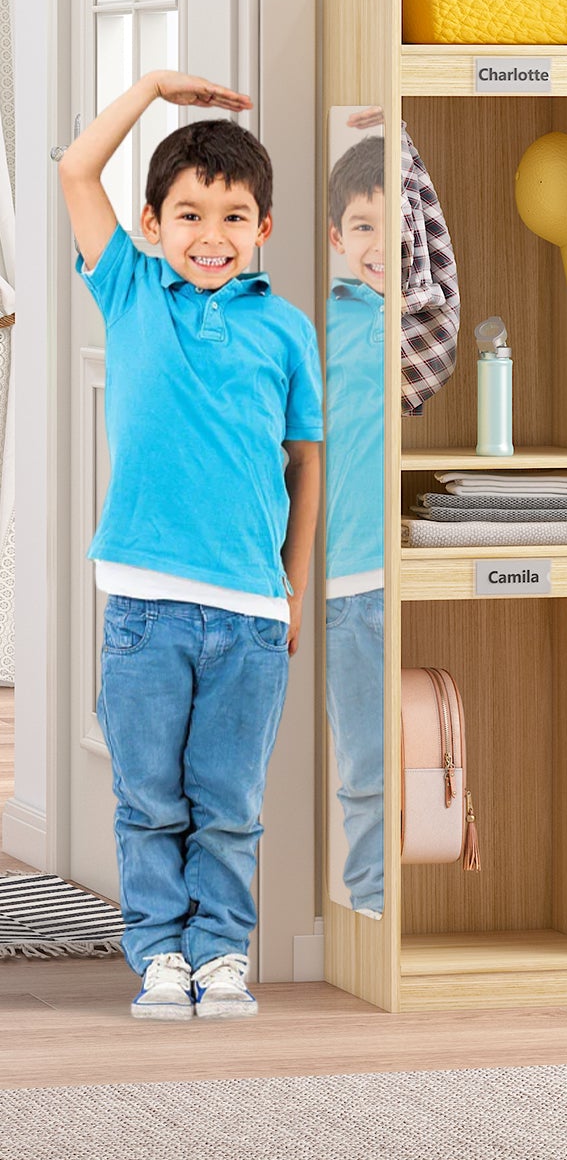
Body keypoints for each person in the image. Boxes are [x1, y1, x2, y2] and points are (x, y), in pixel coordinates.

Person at [57, 70, 322, 1020]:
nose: (211, 235)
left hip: (252, 613)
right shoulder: (131, 291)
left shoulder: (287, 331)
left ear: (265, 230)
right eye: (190, 214)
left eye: (234, 216)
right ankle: (159, 953)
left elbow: (305, 469)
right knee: (150, 801)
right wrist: (152, 90)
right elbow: (76, 170)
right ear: (152, 223)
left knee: (229, 805)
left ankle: (220, 955)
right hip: (144, 606)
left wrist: (292, 591)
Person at [323, 129, 386, 917]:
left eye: (392, 224)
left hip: (420, 561)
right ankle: (372, 902)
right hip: (349, 576)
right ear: (336, 237)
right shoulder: (322, 325)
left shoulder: (429, 313)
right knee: (367, 758)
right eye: (361, 226)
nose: (378, 243)